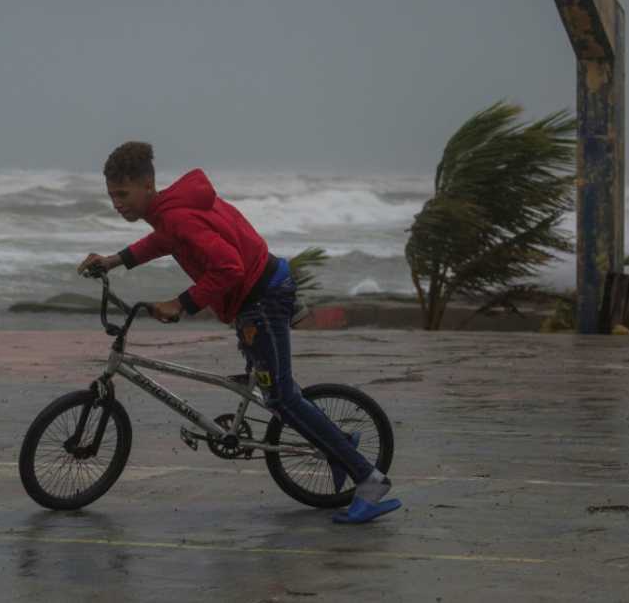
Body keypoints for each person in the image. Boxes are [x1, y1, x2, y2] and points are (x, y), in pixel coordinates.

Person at [78, 141, 400, 523]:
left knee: (281, 398)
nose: (117, 203)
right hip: (262, 287)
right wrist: (115, 260)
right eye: (111, 195)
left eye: (123, 193)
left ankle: (369, 479)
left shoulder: (178, 216)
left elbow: (228, 267)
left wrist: (182, 303)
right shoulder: (172, 210)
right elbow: (163, 241)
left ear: (147, 185)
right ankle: (339, 443)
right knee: (278, 390)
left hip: (261, 298)